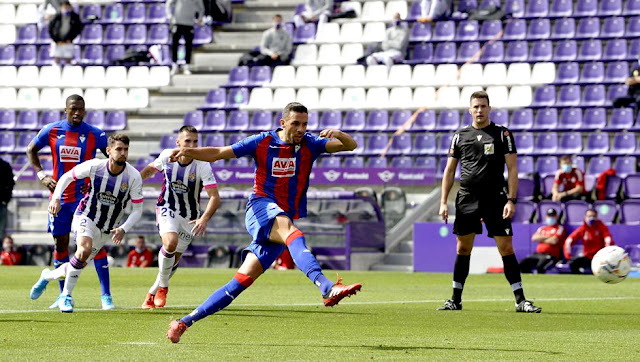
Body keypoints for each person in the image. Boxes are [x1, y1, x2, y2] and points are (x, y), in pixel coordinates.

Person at [165, 102, 362, 343]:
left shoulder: (310, 143)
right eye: (295, 123)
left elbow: (351, 146)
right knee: (294, 235)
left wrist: (339, 134)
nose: (301, 129)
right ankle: (326, 287)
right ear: (283, 123)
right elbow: (217, 153)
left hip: (281, 217)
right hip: (260, 207)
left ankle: (184, 322)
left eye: (305, 124)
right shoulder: (262, 142)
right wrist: (188, 152)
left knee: (239, 283)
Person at [438, 91, 541, 313]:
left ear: (489, 109)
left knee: (506, 247)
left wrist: (512, 200)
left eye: (483, 106)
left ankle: (520, 300)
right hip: (467, 197)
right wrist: (443, 202)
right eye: (475, 107)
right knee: (463, 247)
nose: (479, 110)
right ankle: (455, 299)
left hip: (495, 197)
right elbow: (449, 171)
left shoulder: (502, 134)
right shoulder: (460, 136)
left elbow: (513, 169)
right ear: (469, 109)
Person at [29, 134, 143, 313]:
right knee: (83, 250)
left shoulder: (133, 176)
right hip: (86, 216)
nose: (123, 153)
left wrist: (123, 228)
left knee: (78, 262)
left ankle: (48, 276)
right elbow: (67, 177)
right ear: (108, 150)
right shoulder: (95, 166)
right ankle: (65, 296)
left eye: (126, 150)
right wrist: (56, 198)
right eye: (118, 149)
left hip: (107, 228)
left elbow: (137, 210)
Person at [26, 94, 114, 310]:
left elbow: (112, 159)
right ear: (65, 109)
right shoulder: (52, 130)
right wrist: (41, 175)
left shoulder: (95, 134)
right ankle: (63, 296)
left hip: (86, 199)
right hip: (60, 198)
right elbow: (31, 150)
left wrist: (98, 181)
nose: (77, 113)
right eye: (73, 108)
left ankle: (106, 295)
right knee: (61, 244)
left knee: (94, 244)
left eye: (81, 109)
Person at [139, 125, 221, 309]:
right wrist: (133, 181)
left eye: (195, 142)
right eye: (187, 141)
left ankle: (152, 292)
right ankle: (164, 287)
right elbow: (150, 170)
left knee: (173, 261)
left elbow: (215, 197)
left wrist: (204, 218)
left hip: (190, 217)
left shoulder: (202, 164)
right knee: (170, 243)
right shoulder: (167, 156)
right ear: (178, 143)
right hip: (166, 207)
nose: (191, 145)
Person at [564, 209, 614, 274]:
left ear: (596, 217)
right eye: (589, 216)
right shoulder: (582, 229)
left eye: (593, 216)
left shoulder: (601, 227)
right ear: (585, 217)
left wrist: (606, 255)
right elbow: (569, 240)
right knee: (573, 263)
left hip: (599, 257)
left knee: (598, 271)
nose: (591, 218)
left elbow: (608, 240)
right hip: (588, 257)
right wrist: (568, 255)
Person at [519, 208, 566, 274]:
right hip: (538, 254)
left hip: (550, 255)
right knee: (522, 263)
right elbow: (534, 238)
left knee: (540, 267)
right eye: (549, 215)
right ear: (546, 217)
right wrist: (549, 237)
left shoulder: (559, 228)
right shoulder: (542, 228)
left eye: (553, 215)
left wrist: (541, 239)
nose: (551, 217)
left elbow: (554, 240)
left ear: (557, 217)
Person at [166, 0, 205, 75]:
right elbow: (168, 3)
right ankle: (174, 65)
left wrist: (200, 18)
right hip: (177, 23)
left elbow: (201, 8)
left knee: (188, 45)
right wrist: (169, 15)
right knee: (175, 44)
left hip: (189, 23)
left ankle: (187, 66)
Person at [48, 1, 82, 66]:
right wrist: (56, 40)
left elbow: (78, 29)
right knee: (56, 59)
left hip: (68, 41)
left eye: (67, 7)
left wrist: (70, 39)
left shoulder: (74, 17)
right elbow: (50, 29)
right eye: (64, 7)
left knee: (68, 59)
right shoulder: (56, 17)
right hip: (57, 42)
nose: (66, 8)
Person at [0, 157, 14, 237]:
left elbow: (11, 184)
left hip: (1, 203)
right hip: (2, 203)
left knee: (0, 232)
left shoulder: (5, 165)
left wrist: (5, 200)